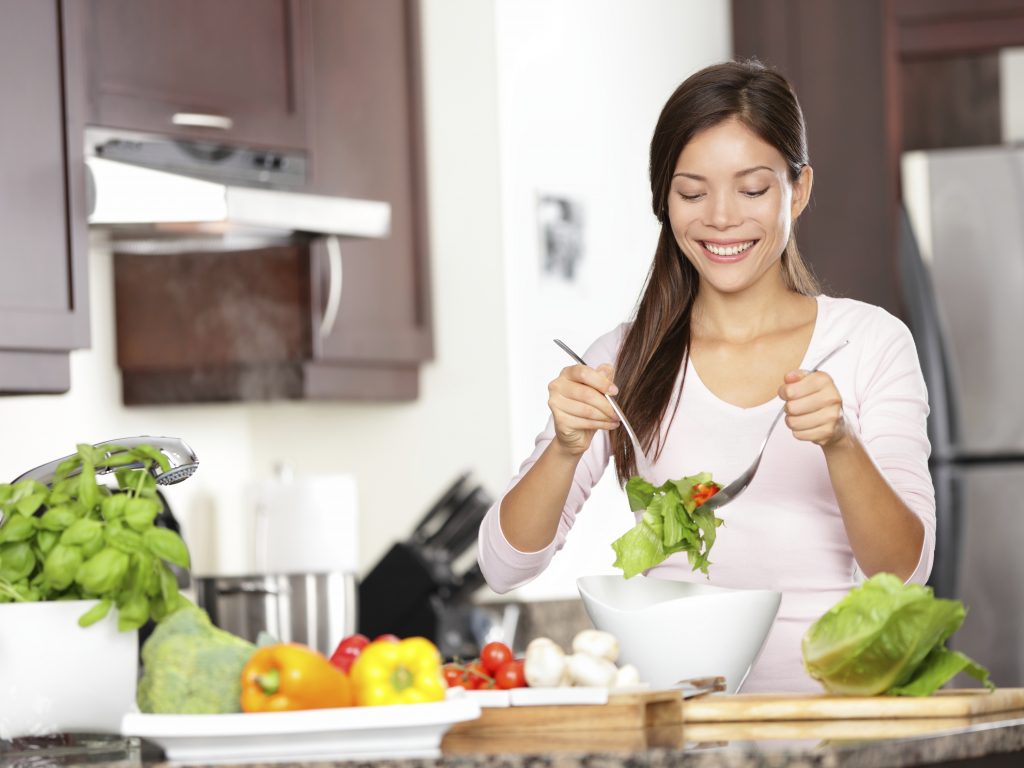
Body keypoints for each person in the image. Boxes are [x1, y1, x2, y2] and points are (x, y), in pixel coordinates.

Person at [476, 59, 936, 693]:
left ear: (797, 191)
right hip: (682, 729)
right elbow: (503, 568)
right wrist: (565, 446)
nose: (721, 218)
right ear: (664, 200)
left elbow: (905, 574)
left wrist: (840, 443)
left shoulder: (868, 343)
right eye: (693, 193)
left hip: (833, 721)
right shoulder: (624, 357)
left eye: (752, 190)